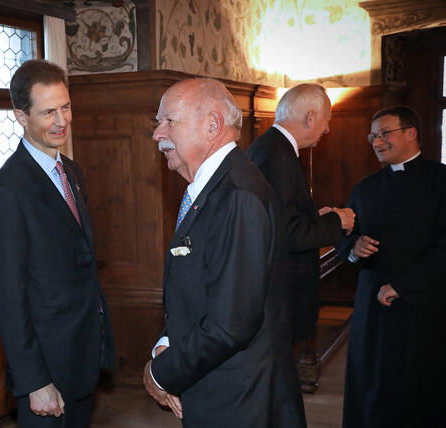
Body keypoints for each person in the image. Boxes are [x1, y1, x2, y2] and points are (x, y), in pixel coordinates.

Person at [0, 59, 115, 428]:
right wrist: (34, 380)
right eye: (48, 112)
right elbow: (7, 296)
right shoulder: (8, 191)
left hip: (83, 355)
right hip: (46, 368)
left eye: (66, 107)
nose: (62, 121)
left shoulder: (72, 172)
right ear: (21, 117)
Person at [142, 78, 282, 427]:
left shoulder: (238, 194)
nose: (158, 134)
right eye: (158, 123)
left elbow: (231, 324)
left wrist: (160, 373)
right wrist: (167, 341)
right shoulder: (214, 186)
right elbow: (200, 289)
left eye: (168, 121)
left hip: (235, 399)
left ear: (212, 125)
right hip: (212, 384)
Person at [246, 83, 355, 426]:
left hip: (276, 292)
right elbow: (288, 235)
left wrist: (316, 218)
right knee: (281, 396)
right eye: (325, 120)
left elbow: (283, 218)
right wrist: (338, 222)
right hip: (278, 294)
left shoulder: (273, 148)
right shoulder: (276, 155)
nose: (326, 129)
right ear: (309, 117)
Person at [337, 105, 446, 428]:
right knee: (372, 390)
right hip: (373, 312)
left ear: (411, 134)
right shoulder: (365, 188)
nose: (377, 141)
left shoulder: (441, 182)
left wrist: (403, 286)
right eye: (373, 135)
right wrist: (353, 248)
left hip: (425, 310)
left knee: (420, 393)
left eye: (385, 134)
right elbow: (345, 237)